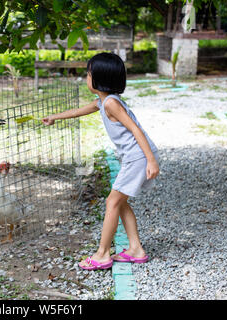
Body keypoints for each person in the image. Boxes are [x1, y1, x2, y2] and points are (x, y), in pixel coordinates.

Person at [42, 52, 160, 270]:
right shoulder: (103, 101)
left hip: (139, 157)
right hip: (134, 157)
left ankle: (103, 254)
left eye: (88, 74)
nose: (86, 78)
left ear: (98, 79)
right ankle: (135, 249)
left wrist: (151, 161)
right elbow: (80, 111)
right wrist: (55, 117)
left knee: (112, 202)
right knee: (120, 202)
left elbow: (136, 129)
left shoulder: (111, 104)